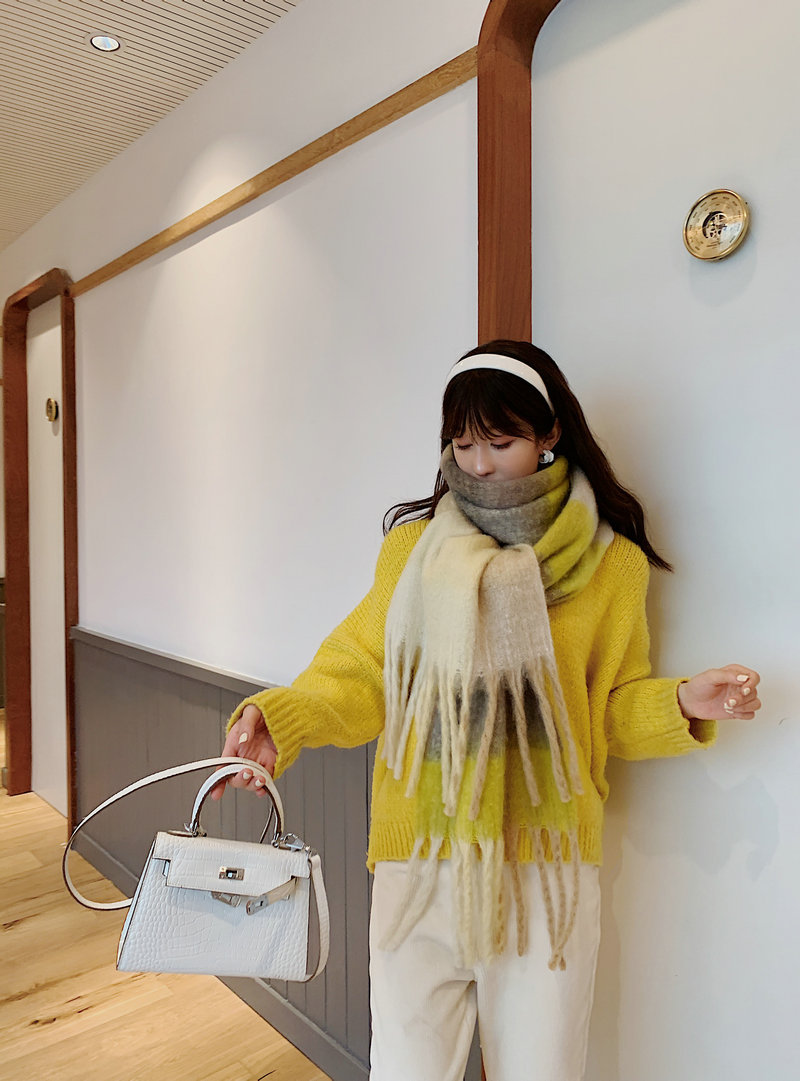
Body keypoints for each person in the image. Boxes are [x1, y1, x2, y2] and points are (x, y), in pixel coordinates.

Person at [212, 340, 761, 1081]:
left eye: (499, 443)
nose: (477, 464)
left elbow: (604, 711)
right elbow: (362, 673)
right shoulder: (411, 551)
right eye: (463, 443)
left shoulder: (612, 565)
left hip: (546, 874)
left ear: (549, 434)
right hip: (419, 864)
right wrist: (284, 719)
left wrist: (683, 702)